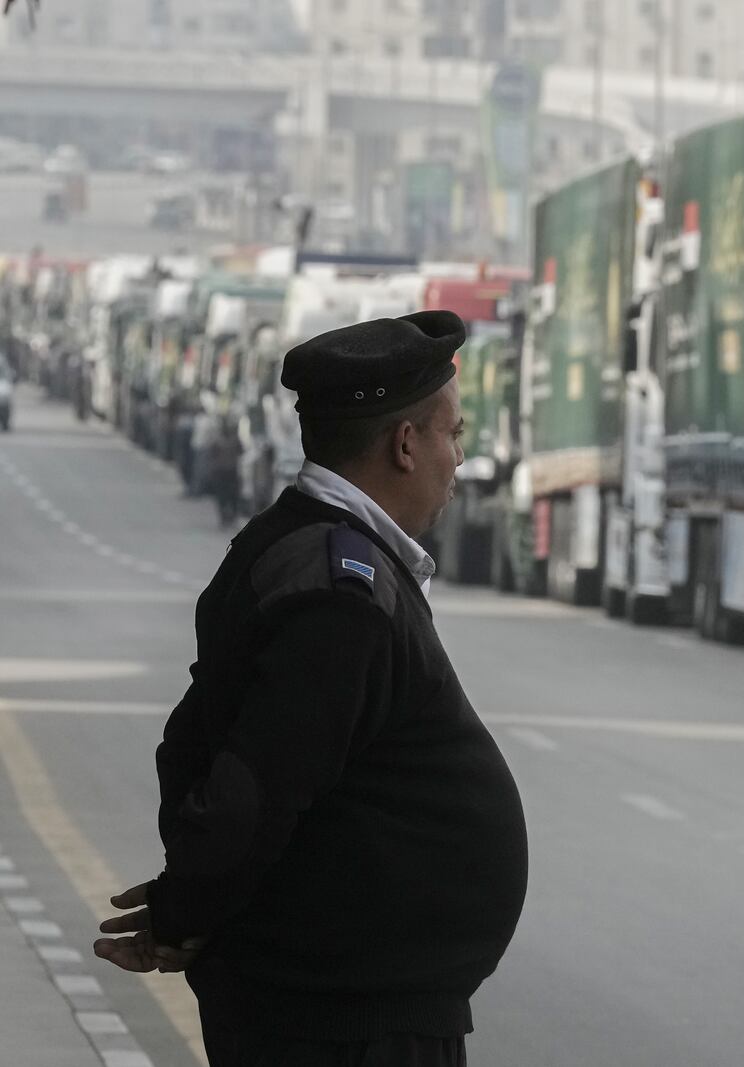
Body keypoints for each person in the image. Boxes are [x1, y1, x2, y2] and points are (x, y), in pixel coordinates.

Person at [93, 310, 529, 1066]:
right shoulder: (336, 591)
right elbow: (257, 782)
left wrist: (189, 906)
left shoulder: (305, 546)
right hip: (342, 1021)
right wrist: (181, 909)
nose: (458, 459)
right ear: (404, 443)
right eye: (452, 435)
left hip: (348, 1000)